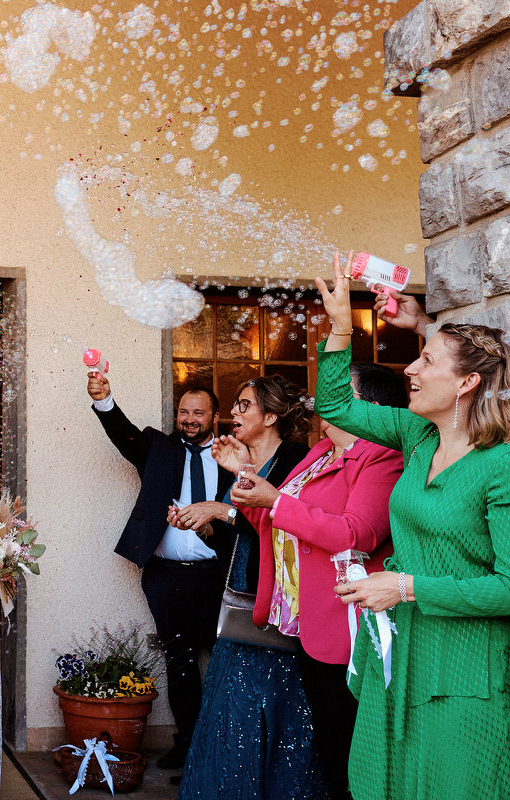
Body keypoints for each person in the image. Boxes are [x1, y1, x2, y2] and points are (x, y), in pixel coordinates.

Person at [318, 253, 510, 800]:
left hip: (465, 664)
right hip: (400, 648)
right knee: (387, 781)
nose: (409, 369)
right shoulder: (415, 434)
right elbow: (333, 402)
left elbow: (508, 587)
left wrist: (404, 586)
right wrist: (339, 329)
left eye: (426, 361)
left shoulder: (501, 465)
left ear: (469, 382)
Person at [224, 364, 406, 800]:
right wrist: (245, 477)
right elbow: (276, 521)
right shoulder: (322, 450)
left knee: (349, 742)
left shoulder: (382, 456)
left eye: (341, 392)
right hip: (307, 620)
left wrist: (275, 498)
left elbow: (354, 534)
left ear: (371, 409)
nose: (326, 400)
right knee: (328, 739)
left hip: (345, 622)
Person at [173, 375, 315, 799]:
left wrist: (221, 509)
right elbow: (243, 533)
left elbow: (287, 525)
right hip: (239, 599)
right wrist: (203, 523)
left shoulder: (297, 460)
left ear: (270, 416)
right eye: (235, 405)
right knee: (231, 712)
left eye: (244, 405)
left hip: (278, 604)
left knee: (275, 712)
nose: (233, 412)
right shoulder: (245, 461)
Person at [86, 375, 233, 770]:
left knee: (225, 661)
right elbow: (124, 435)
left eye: (198, 413)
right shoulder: (159, 448)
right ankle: (187, 745)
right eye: (183, 412)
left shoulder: (233, 455)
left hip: (219, 577)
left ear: (214, 417)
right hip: (166, 576)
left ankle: (221, 748)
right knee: (180, 662)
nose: (189, 419)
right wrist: (105, 401)